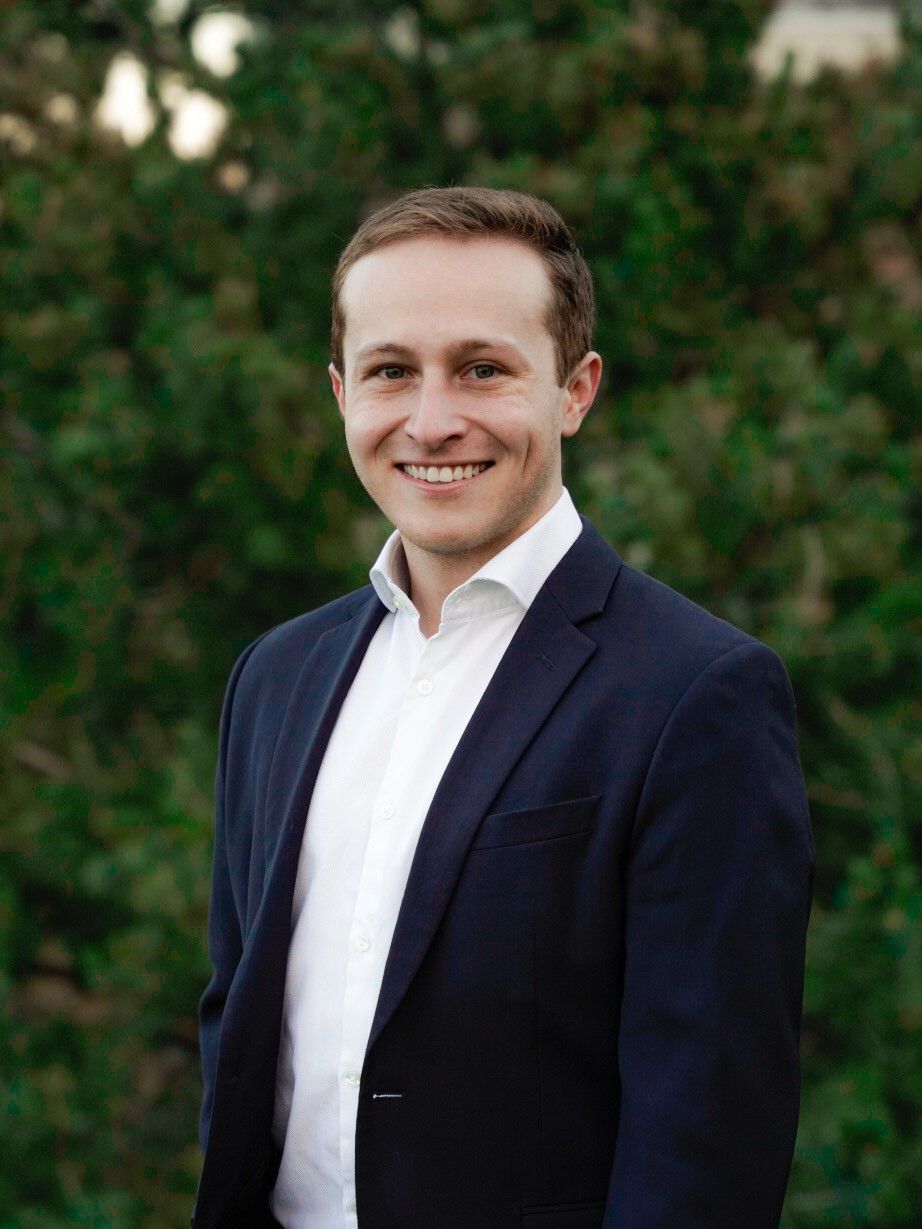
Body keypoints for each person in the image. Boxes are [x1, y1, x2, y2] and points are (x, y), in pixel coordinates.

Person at [193, 187, 815, 1229]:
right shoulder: (276, 675)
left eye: (482, 368)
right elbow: (240, 1022)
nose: (432, 419)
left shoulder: (698, 691)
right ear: (342, 390)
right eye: (392, 371)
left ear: (575, 389)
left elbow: (705, 1125)